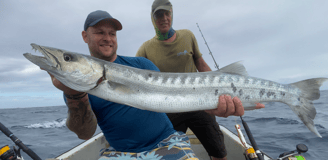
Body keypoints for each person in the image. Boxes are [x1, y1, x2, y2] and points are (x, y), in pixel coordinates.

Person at [45, 10, 261, 160]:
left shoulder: (142, 64)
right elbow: (84, 133)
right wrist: (75, 96)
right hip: (122, 153)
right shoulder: (75, 86)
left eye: (112, 33)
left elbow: (170, 96)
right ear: (85, 36)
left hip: (168, 142)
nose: (108, 38)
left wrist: (209, 105)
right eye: (100, 32)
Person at [136, 0, 264, 160]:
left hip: (201, 106)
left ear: (172, 14)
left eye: (167, 13)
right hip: (169, 109)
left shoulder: (187, 36)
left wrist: (223, 91)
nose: (164, 18)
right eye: (159, 15)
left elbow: (202, 66)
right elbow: (139, 82)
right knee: (169, 154)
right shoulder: (145, 49)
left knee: (218, 152)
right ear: (152, 18)